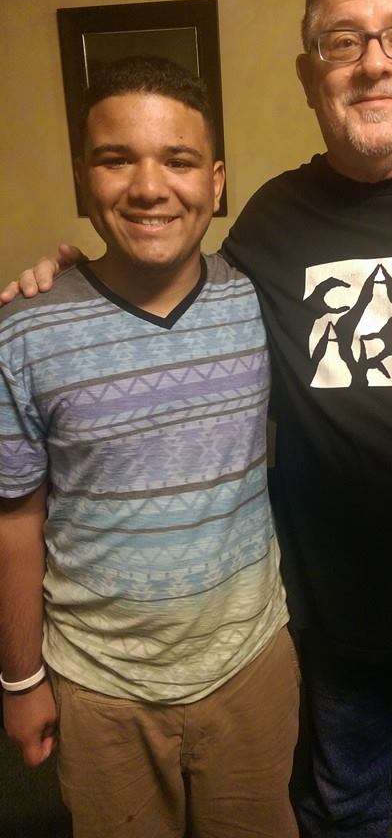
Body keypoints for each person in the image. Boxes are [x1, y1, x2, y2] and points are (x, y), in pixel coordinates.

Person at [4, 0, 392, 838]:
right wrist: (60, 281)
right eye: (342, 40)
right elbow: (162, 283)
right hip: (334, 627)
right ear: (308, 73)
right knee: (339, 811)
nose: (374, 63)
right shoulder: (271, 221)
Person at [0, 56, 299, 838]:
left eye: (178, 160)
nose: (148, 186)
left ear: (216, 181)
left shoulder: (261, 297)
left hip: (249, 666)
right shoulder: (25, 330)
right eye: (115, 159)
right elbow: (15, 519)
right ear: (83, 177)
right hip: (100, 687)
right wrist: (20, 679)